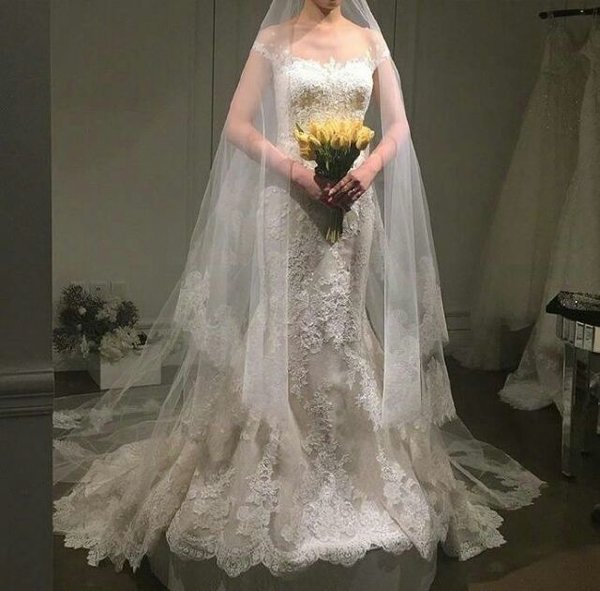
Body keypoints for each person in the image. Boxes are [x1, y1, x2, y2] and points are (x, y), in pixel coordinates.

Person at [53, 1, 545, 588]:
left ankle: (347, 458)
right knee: (287, 325)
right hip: (289, 208)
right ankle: (272, 460)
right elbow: (237, 126)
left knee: (343, 328)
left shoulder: (371, 41)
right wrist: (296, 172)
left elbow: (398, 127)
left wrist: (366, 171)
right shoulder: (276, 39)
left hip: (354, 210)